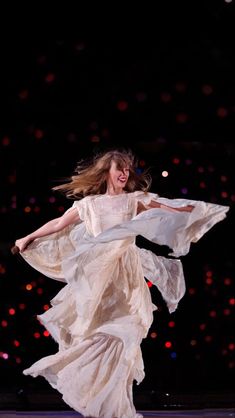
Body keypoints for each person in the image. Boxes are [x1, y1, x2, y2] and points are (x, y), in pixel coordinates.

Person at [15, 149, 229, 418]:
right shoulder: (88, 205)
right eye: (120, 169)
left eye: (128, 170)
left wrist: (194, 210)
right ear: (107, 172)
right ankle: (90, 388)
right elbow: (59, 222)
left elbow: (163, 206)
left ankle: (115, 403)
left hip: (125, 273)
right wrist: (27, 237)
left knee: (125, 332)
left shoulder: (133, 200)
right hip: (96, 275)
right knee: (97, 333)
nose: (125, 174)